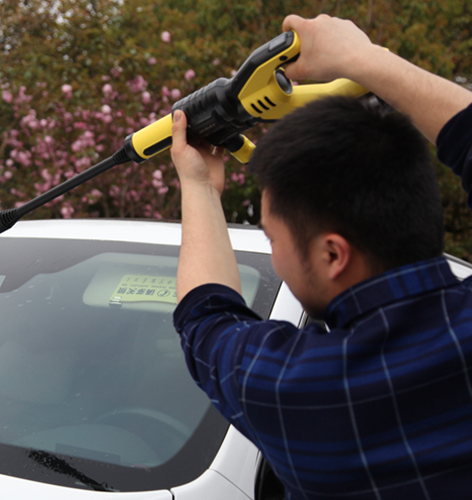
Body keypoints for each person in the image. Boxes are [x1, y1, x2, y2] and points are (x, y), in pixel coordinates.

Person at [170, 14, 472, 500]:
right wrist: (364, 59)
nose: (275, 254)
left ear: (333, 254)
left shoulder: (302, 393)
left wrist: (200, 186)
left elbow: (206, 317)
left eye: (273, 238)